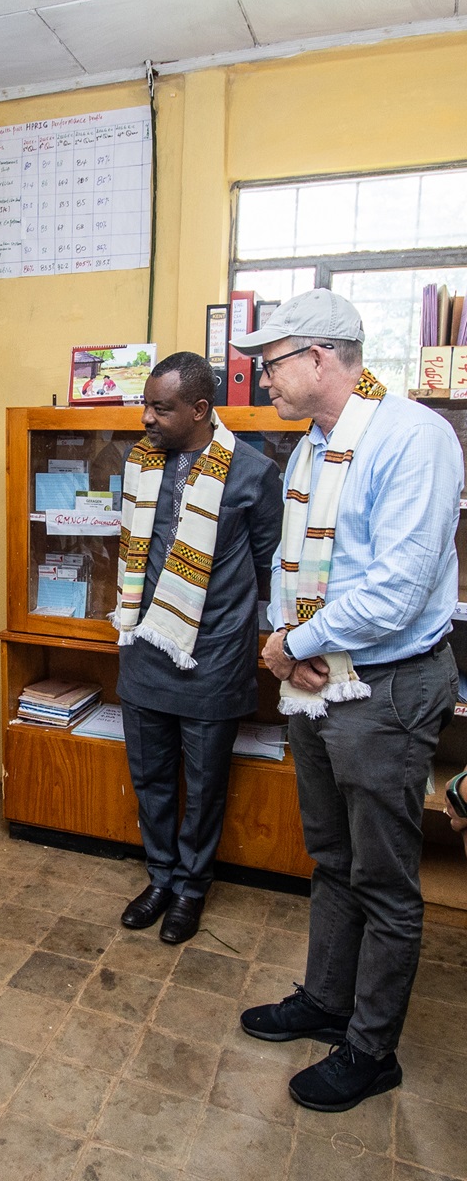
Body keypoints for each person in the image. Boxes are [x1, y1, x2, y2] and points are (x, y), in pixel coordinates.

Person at [230, 289, 461, 1113]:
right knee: (332, 858)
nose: (265, 383)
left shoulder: (413, 439)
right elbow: (290, 567)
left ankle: (371, 1048)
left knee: (385, 878)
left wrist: (289, 645)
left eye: (272, 366)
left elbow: (395, 591)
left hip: (385, 689)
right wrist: (285, 641)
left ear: (320, 360)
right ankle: (327, 1000)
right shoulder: (314, 449)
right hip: (319, 684)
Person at [112, 351, 283, 944]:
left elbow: (268, 569)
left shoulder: (253, 472)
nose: (147, 418)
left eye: (161, 408)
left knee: (205, 784)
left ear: (200, 409)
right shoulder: (140, 464)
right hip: (145, 649)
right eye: (146, 405)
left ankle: (190, 887)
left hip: (210, 657)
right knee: (151, 776)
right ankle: (159, 876)